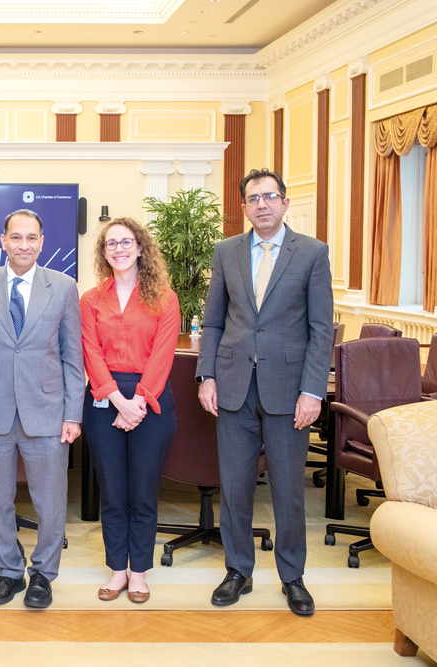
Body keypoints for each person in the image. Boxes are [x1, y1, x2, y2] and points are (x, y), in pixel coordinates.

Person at [197, 168, 332, 616]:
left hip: (288, 391)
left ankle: (292, 577)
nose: (262, 205)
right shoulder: (226, 251)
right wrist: (207, 375)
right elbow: (214, 321)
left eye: (270, 197)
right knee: (234, 488)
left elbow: (319, 330)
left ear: (285, 203)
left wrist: (313, 390)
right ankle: (238, 571)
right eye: (254, 198)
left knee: (288, 490)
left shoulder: (312, 253)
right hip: (234, 387)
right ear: (244, 207)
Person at [0, 209, 83, 609]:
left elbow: (72, 356)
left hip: (47, 411)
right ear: (3, 241)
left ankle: (43, 575)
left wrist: (72, 414)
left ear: (42, 242)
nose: (24, 245)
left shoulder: (64, 287)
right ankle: (9, 572)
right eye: (16, 237)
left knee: (50, 502)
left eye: (31, 238)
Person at [81, 217, 179, 604]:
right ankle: (117, 571)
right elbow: (90, 352)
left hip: (150, 401)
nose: (118, 249)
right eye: (110, 244)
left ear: (140, 247)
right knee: (113, 492)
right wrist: (116, 399)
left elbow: (164, 353)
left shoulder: (164, 298)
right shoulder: (90, 299)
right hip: (105, 401)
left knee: (142, 491)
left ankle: (139, 573)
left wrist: (137, 400)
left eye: (125, 242)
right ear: (104, 253)